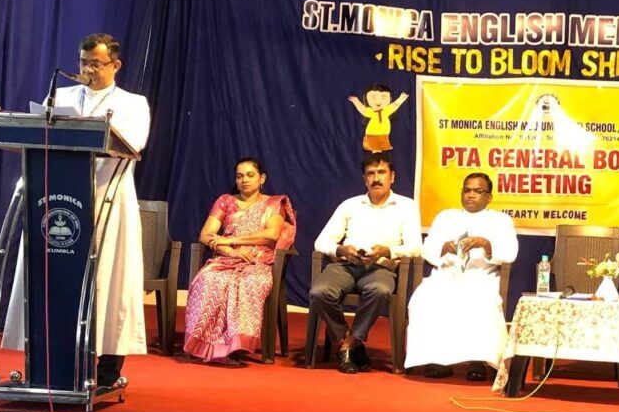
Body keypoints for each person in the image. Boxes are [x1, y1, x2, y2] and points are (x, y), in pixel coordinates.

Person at [2, 33, 150, 387]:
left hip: (105, 200)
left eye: (96, 63)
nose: (87, 69)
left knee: (107, 281)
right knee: (51, 276)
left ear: (115, 65)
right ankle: (46, 362)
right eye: (84, 62)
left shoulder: (133, 103)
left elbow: (131, 144)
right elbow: (39, 138)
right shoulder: (61, 97)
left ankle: (107, 369)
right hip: (56, 198)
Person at [310, 152, 422, 373]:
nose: (376, 178)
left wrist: (388, 251)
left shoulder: (406, 206)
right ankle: (348, 341)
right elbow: (321, 242)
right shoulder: (350, 205)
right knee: (319, 292)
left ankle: (349, 345)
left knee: (379, 290)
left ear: (392, 177)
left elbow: (416, 248)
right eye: (371, 174)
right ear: (364, 179)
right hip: (346, 265)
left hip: (380, 267)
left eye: (381, 173)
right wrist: (341, 249)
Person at [405, 173, 518, 380]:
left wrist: (486, 244)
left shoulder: (501, 220)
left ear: (489, 197)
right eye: (467, 190)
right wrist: (444, 247)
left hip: (481, 275)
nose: (471, 195)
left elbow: (510, 253)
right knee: (424, 299)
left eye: (478, 191)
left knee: (478, 301)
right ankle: (436, 359)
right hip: (446, 274)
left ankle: (477, 360)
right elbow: (426, 250)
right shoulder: (445, 217)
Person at [183, 158, 296, 364]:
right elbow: (206, 235)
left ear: (262, 178)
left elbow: (271, 235)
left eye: (250, 175)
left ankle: (235, 345)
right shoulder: (225, 201)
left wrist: (231, 240)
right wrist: (230, 251)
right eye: (239, 176)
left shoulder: (274, 203)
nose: (244, 180)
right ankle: (209, 346)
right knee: (208, 279)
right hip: (225, 259)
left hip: (258, 262)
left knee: (247, 283)